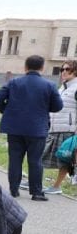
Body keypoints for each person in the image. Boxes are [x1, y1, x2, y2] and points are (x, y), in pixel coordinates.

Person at [0, 55, 63, 201]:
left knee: (15, 159)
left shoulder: (13, 82)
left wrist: (6, 111)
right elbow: (58, 106)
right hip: (37, 128)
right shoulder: (49, 85)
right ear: (42, 67)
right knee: (35, 160)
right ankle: (36, 192)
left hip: (14, 127)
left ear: (25, 67)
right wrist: (44, 107)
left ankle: (13, 190)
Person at [41, 61, 77, 194]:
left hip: (68, 130)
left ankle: (56, 186)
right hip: (53, 128)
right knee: (40, 155)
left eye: (68, 69)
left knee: (64, 160)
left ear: (75, 71)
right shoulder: (62, 87)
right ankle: (35, 180)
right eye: (62, 69)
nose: (64, 72)